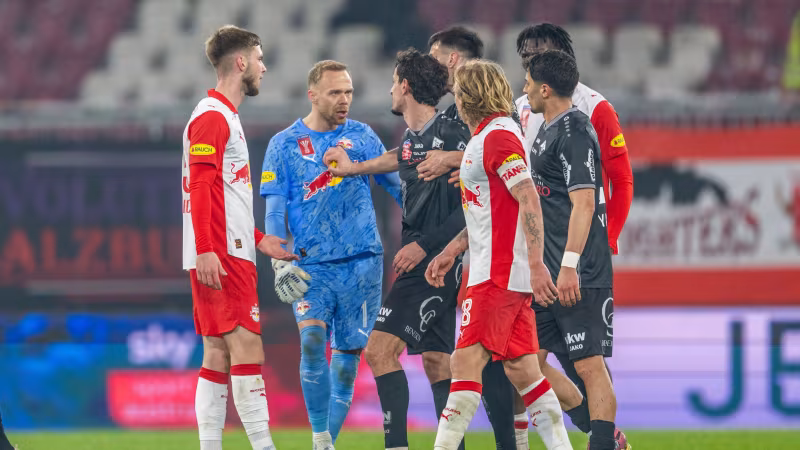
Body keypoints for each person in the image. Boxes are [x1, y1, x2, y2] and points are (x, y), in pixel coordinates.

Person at [324, 48, 471, 450]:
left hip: (433, 263)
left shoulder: (453, 134)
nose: (389, 90)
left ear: (405, 87)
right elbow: (398, 158)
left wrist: (423, 246)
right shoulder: (412, 139)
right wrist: (353, 168)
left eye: (393, 82)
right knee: (437, 361)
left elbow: (473, 207)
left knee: (379, 350)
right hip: (431, 260)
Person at [426, 59, 572, 450]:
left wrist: (537, 265)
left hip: (498, 274)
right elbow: (491, 209)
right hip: (498, 271)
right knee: (524, 371)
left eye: (458, 93)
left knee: (463, 363)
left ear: (469, 96)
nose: (455, 101)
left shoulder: (497, 137)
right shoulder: (490, 136)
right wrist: (453, 249)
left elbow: (528, 198)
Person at [259, 60, 402, 450]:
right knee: (311, 342)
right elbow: (274, 210)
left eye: (349, 92)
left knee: (345, 364)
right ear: (313, 95)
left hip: (363, 262)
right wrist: (278, 259)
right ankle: (321, 436)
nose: (344, 100)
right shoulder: (283, 144)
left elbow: (396, 187)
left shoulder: (363, 136)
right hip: (310, 265)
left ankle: (323, 444)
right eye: (335, 92)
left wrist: (424, 230)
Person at [183, 25, 297, 450]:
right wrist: (207, 249)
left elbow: (223, 194)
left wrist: (258, 237)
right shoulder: (213, 116)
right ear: (241, 62)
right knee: (248, 348)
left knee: (217, 351)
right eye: (260, 59)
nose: (264, 68)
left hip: (226, 247)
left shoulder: (221, 115)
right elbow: (200, 187)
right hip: (222, 253)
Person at [525, 49, 619, 450]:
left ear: (545, 89)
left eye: (528, 82)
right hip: (549, 274)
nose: (524, 89)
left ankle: (603, 443)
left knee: (589, 365)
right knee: (525, 365)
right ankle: (607, 438)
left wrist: (568, 266)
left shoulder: (576, 132)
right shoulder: (546, 130)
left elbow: (584, 204)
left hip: (581, 273)